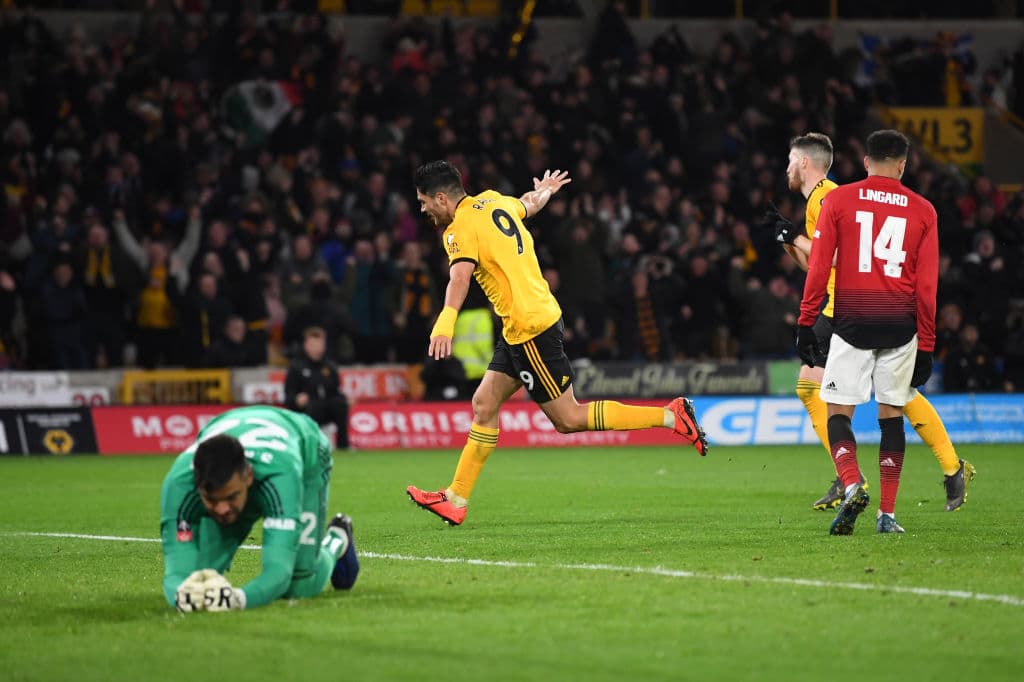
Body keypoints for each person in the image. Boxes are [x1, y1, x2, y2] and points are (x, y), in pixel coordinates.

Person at [405, 160, 708, 526]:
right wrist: (545, 191)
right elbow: (528, 204)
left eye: (424, 201)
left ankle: (670, 416)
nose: (423, 209)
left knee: (568, 418)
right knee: (484, 402)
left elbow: (459, 278)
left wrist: (445, 321)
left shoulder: (458, 230)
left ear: (441, 198)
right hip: (523, 324)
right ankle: (455, 498)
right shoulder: (493, 202)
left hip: (529, 328)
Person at [769, 132, 974, 513]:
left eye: (789, 161)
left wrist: (795, 239)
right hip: (861, 307)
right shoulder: (837, 197)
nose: (785, 168)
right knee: (853, 392)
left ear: (803, 163)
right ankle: (868, 478)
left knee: (882, 398)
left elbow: (829, 260)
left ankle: (857, 477)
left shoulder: (827, 197)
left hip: (846, 307)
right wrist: (788, 240)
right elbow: (815, 262)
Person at [796, 130, 937, 535]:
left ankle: (853, 482)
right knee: (891, 417)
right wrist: (925, 344)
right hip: (900, 325)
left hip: (852, 322)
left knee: (839, 411)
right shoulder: (924, 210)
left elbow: (821, 267)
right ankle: (887, 515)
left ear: (865, 162)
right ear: (903, 165)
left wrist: (807, 321)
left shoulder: (838, 200)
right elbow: (927, 287)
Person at [159, 405, 359, 612]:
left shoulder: (281, 478)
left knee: (298, 583)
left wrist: (238, 600)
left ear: (249, 476)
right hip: (236, 428)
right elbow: (176, 573)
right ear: (197, 484)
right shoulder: (179, 484)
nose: (221, 509)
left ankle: (337, 538)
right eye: (210, 499)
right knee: (200, 575)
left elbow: (278, 572)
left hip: (306, 451)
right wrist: (182, 596)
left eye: (231, 497)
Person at [284, 326, 351, 450]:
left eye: (319, 345)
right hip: (308, 408)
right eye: (313, 345)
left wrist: (344, 399)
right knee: (313, 407)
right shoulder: (296, 367)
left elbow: (335, 391)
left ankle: (344, 445)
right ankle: (311, 447)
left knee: (340, 404)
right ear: (306, 345)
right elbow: (288, 396)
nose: (317, 349)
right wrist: (296, 399)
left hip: (327, 405)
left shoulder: (330, 366)